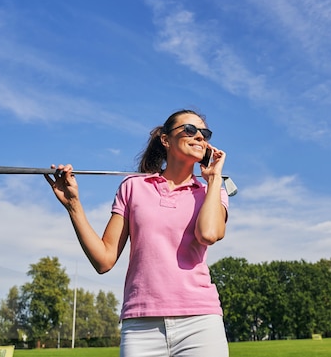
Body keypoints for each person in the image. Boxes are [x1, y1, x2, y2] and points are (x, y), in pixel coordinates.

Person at [45, 109, 229, 357]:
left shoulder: (212, 191)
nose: (199, 137)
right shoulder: (133, 186)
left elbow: (208, 234)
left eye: (204, 133)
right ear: (165, 140)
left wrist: (214, 178)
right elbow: (104, 260)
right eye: (189, 130)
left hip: (200, 322)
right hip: (141, 325)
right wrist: (73, 206)